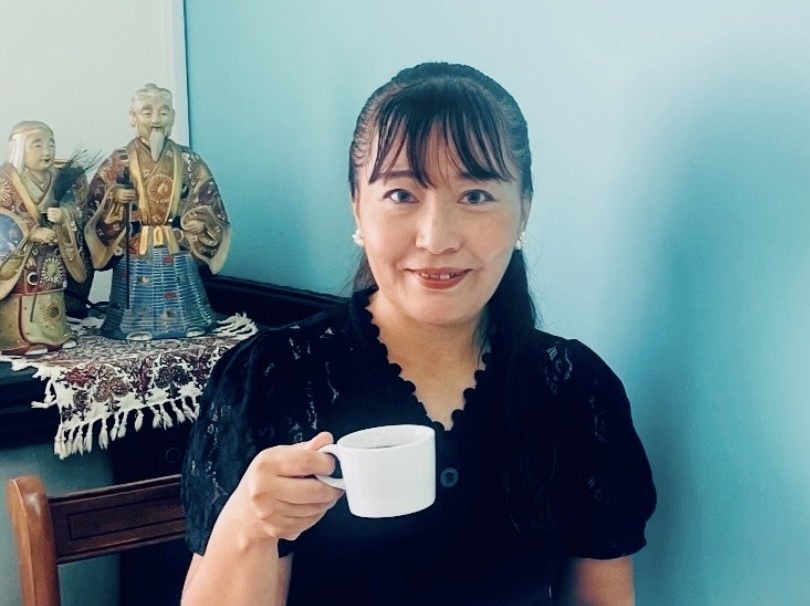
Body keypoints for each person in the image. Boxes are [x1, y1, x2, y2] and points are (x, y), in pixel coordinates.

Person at [181, 62, 656, 606]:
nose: (437, 239)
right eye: (402, 195)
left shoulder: (576, 391)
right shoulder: (272, 378)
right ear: (357, 207)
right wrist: (249, 524)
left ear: (523, 209)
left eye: (475, 195)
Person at [84, 83, 231, 340]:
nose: (155, 120)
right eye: (147, 112)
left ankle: (190, 322)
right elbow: (94, 204)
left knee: (182, 289)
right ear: (132, 117)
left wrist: (198, 220)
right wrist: (115, 198)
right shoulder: (120, 160)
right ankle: (132, 325)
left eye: (163, 113)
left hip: (175, 241)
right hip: (136, 242)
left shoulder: (188, 160)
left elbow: (207, 199)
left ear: (172, 117)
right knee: (135, 295)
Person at [0, 121, 88, 354]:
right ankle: (20, 338)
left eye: (51, 144)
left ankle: (56, 334)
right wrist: (30, 231)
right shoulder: (4, 182)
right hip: (22, 257)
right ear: (19, 148)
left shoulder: (60, 177)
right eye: (37, 145)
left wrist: (64, 216)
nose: (47, 151)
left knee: (52, 288)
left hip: (51, 251)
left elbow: (76, 208)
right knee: (25, 293)